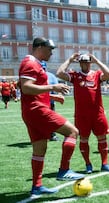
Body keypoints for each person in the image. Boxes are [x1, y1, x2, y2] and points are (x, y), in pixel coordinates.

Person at [19, 37, 85, 196]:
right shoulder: (30, 63)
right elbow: (26, 88)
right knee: (72, 132)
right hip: (37, 110)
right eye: (50, 49)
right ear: (40, 47)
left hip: (32, 109)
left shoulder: (35, 64)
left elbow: (31, 89)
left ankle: (37, 186)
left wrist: (52, 96)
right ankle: (64, 170)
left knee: (39, 149)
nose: (52, 52)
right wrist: (53, 86)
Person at [56, 53, 109, 174]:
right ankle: (88, 164)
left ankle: (104, 164)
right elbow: (59, 73)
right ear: (80, 63)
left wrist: (97, 61)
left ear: (90, 62)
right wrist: (69, 59)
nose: (85, 64)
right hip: (82, 115)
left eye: (88, 62)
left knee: (102, 138)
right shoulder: (75, 76)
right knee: (84, 139)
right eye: (83, 62)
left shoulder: (96, 75)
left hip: (97, 113)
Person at [41, 61, 60, 141]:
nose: (42, 69)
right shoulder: (35, 76)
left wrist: (58, 95)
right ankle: (42, 135)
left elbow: (58, 88)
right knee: (40, 120)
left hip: (50, 103)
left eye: (43, 68)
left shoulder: (51, 76)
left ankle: (52, 135)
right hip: (40, 103)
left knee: (51, 120)